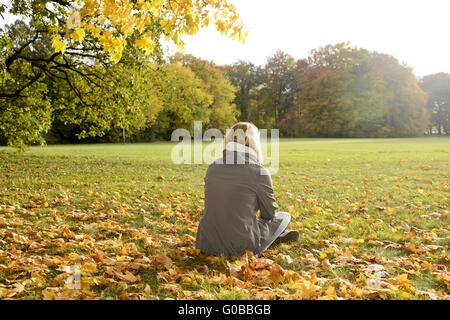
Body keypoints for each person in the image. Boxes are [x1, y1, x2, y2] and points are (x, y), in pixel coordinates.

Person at [195, 122, 299, 257]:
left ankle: (270, 237)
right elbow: (269, 214)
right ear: (254, 143)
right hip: (241, 248)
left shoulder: (213, 167)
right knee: (283, 216)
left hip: (206, 244)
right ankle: (273, 238)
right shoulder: (258, 172)